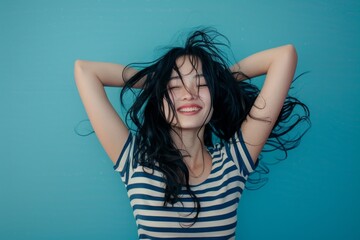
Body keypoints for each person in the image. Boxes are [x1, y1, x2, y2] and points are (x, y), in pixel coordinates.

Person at [74, 28, 310, 239]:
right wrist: (156, 81)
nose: (188, 93)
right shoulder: (135, 161)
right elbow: (85, 71)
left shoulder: (234, 161)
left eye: (201, 84)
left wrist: (218, 80)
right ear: (160, 99)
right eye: (175, 86)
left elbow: (284, 56)